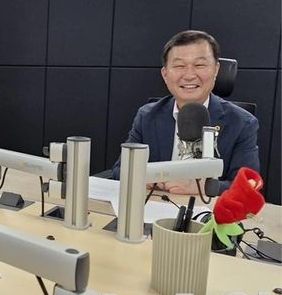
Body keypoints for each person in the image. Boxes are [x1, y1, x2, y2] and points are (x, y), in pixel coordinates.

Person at [111, 30, 259, 195]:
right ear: (165, 74)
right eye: (179, 66)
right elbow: (119, 171)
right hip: (156, 204)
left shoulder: (242, 123)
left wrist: (203, 187)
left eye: (199, 65)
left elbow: (249, 185)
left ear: (216, 70)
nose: (189, 75)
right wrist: (143, 177)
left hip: (210, 209)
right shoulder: (147, 116)